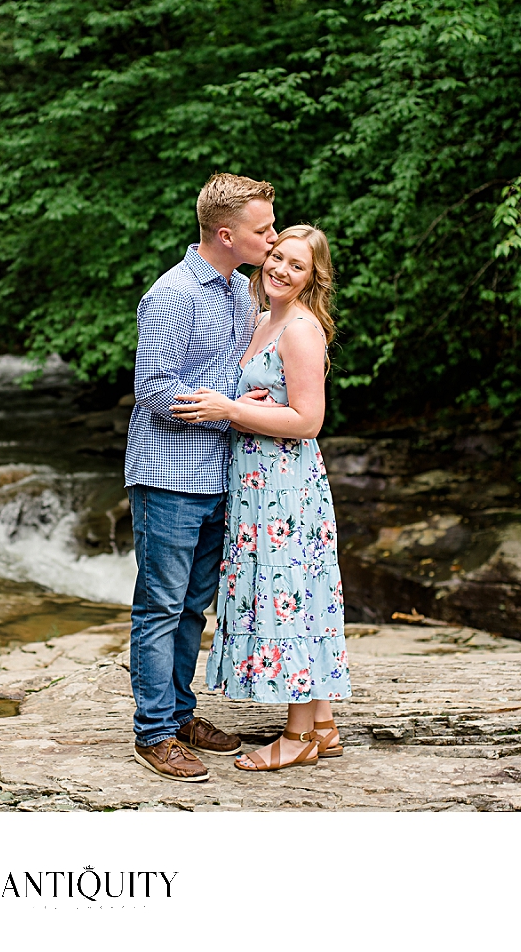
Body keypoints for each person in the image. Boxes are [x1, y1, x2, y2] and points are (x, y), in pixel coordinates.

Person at [170, 223, 351, 771]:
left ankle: (296, 740)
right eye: (277, 257)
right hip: (257, 484)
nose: (281, 270)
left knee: (290, 595)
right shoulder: (261, 319)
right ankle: (322, 724)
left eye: (298, 266)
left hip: (285, 487)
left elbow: (309, 419)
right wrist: (235, 403)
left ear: (312, 277)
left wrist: (230, 411)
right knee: (300, 591)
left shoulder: (300, 329)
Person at [124, 172, 279, 783]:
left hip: (222, 473)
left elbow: (233, 382)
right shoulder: (171, 295)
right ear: (225, 234)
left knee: (193, 605)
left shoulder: (242, 292)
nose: (271, 236)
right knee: (160, 605)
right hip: (169, 473)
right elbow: (154, 392)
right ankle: (154, 733)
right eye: (262, 229)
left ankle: (181, 714)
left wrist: (243, 398)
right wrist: (227, 401)